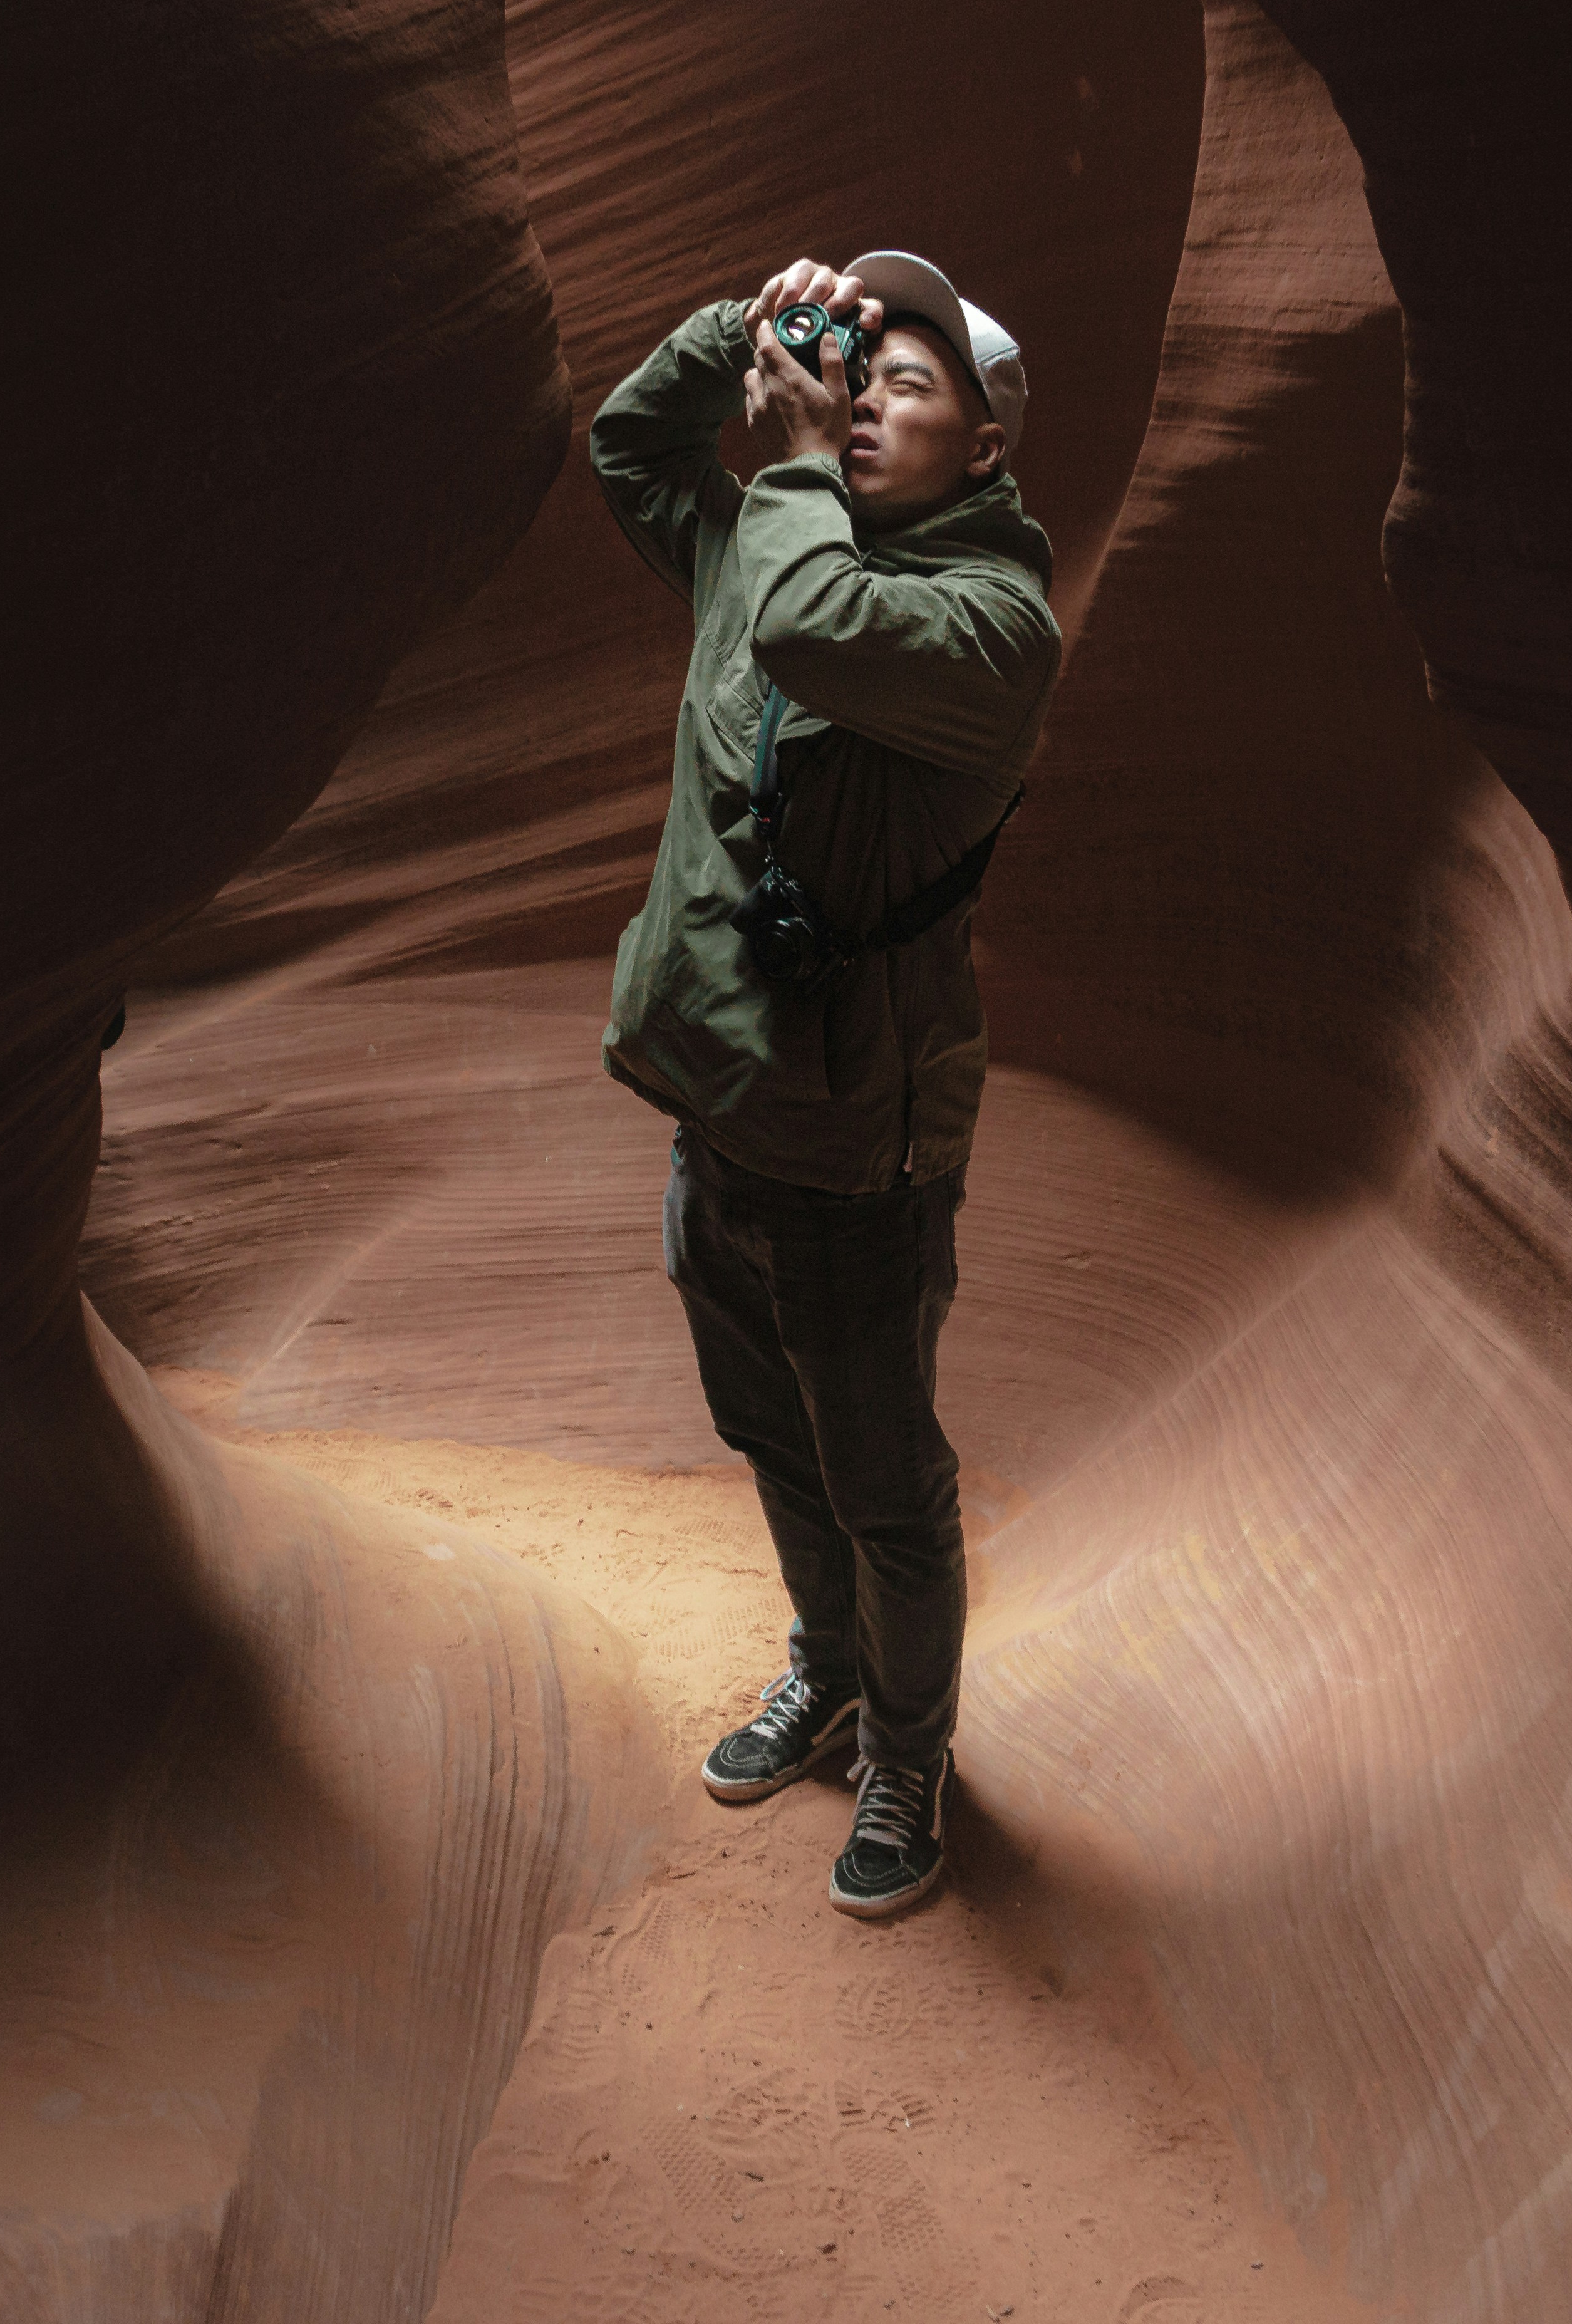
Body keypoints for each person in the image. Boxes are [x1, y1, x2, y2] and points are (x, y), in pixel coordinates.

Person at [589, 250, 1058, 1919]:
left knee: (881, 1466)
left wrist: (789, 461)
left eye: (905, 384)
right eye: (849, 367)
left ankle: (910, 1748)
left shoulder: (992, 623)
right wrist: (732, 328)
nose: (860, 398)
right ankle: (832, 1667)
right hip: (723, 1093)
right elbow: (632, 456)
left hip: (865, 1139)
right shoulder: (772, 531)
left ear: (988, 447)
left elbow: (809, 619)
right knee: (770, 1428)